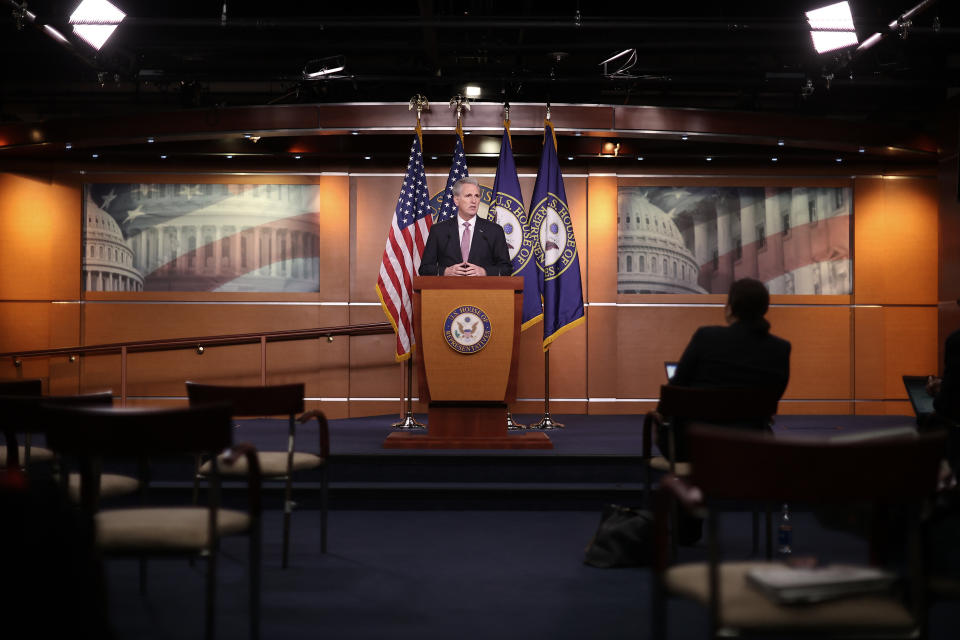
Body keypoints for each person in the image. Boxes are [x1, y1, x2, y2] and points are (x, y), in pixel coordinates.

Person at [660, 278, 791, 545]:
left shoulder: (706, 337)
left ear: (730, 308)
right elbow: (773, 400)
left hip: (695, 445)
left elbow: (673, 394)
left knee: (671, 429)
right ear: (765, 309)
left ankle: (687, 514)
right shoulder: (780, 349)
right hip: (751, 446)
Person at [418, 177, 512, 277]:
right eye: (468, 196)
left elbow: (506, 269)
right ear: (456, 200)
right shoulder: (438, 230)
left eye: (477, 196)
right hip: (448, 290)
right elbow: (424, 269)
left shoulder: (494, 231)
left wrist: (484, 272)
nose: (474, 201)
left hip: (482, 290)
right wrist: (445, 272)